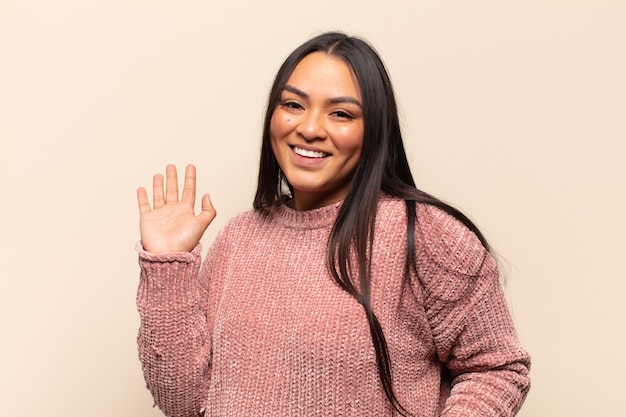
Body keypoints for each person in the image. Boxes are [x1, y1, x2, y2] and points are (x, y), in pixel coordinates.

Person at [135, 31, 531, 417]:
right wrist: (167, 263)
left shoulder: (426, 233)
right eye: (293, 105)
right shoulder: (237, 239)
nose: (309, 128)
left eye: (341, 113)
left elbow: (496, 368)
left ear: (374, 129)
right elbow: (184, 404)